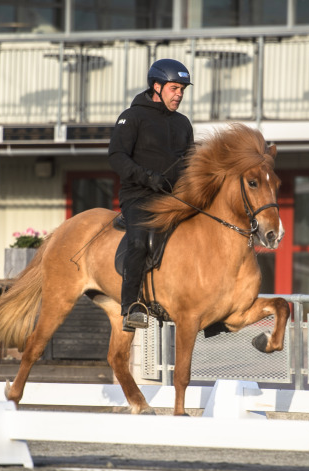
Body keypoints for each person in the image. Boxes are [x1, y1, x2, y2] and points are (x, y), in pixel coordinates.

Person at [108, 58, 194, 332]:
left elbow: (190, 163)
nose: (179, 94)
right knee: (139, 242)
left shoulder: (183, 123)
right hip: (139, 195)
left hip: (174, 197)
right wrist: (148, 178)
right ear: (156, 86)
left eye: (182, 89)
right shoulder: (132, 117)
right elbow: (117, 156)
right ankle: (131, 307)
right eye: (174, 88)